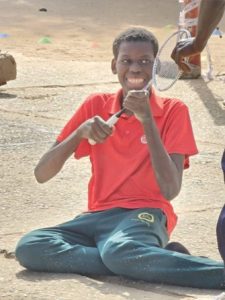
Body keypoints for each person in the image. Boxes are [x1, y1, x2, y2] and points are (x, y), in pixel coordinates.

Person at [15, 27, 225, 289]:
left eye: (145, 61)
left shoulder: (173, 111)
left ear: (156, 66)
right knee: (31, 247)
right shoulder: (96, 105)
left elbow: (170, 190)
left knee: (120, 251)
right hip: (96, 217)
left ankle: (207, 271)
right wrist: (79, 133)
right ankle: (154, 260)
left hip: (145, 213)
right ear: (114, 66)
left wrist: (147, 119)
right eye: (126, 61)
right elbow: (41, 173)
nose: (135, 68)